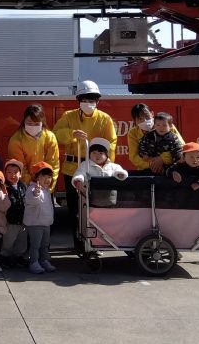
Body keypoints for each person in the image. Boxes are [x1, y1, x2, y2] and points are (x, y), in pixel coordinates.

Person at [52, 80, 117, 250]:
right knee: (74, 209)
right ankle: (79, 244)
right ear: (78, 100)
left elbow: (112, 143)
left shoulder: (104, 119)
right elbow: (55, 135)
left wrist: (106, 166)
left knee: (96, 208)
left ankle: (96, 243)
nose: (88, 103)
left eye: (92, 100)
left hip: (95, 170)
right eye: (85, 100)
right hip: (72, 169)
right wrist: (71, 134)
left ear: (97, 101)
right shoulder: (68, 116)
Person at [8, 104, 60, 187]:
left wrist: (48, 185)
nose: (32, 126)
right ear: (24, 121)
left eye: (36, 123)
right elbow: (20, 167)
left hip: (46, 186)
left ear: (42, 122)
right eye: (29, 123)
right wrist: (31, 186)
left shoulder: (50, 137)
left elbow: (53, 164)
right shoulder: (16, 140)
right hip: (25, 186)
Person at [128, 104, 184, 174]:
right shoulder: (133, 133)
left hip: (170, 168)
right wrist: (153, 164)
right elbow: (134, 157)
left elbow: (181, 148)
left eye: (147, 116)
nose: (144, 120)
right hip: (146, 170)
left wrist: (162, 159)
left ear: (152, 114)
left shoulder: (167, 126)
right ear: (134, 121)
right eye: (140, 119)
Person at [72, 138, 128, 208]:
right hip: (91, 199)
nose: (97, 155)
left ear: (106, 155)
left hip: (110, 200)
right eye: (94, 153)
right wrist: (78, 181)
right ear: (89, 154)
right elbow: (79, 172)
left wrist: (120, 174)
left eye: (101, 153)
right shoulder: (85, 165)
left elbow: (120, 171)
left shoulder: (112, 166)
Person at [23, 162, 56, 274]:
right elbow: (30, 201)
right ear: (36, 177)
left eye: (49, 177)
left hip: (46, 223)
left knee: (45, 244)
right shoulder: (32, 188)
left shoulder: (47, 190)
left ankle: (44, 260)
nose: (47, 179)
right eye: (44, 176)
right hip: (35, 223)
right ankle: (34, 262)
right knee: (35, 245)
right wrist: (36, 194)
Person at [0, 159, 28, 268]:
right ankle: (5, 256)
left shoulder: (23, 186)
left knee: (22, 239)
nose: (12, 175)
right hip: (10, 219)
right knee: (8, 240)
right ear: (5, 174)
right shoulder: (4, 187)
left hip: (22, 218)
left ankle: (19, 256)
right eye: (9, 172)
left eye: (15, 172)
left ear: (20, 174)